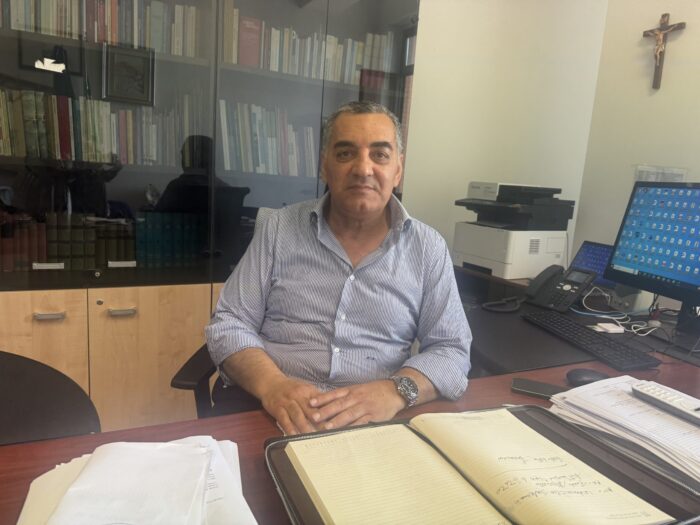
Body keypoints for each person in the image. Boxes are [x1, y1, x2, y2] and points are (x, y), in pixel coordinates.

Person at [205, 101, 471, 435]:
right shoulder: (279, 229)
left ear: (398, 170)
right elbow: (229, 322)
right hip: (270, 412)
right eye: (346, 154)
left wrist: (396, 390)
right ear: (324, 167)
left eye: (380, 154)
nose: (363, 169)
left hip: (374, 425)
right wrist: (273, 385)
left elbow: (451, 350)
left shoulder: (428, 248)